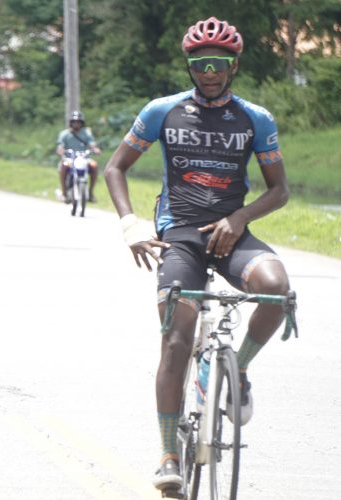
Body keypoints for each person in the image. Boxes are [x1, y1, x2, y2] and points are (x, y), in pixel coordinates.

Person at [104, 17, 291, 492]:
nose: (209, 72)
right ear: (189, 66)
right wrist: (131, 225)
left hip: (232, 232)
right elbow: (115, 169)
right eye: (199, 64)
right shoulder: (162, 111)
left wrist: (240, 219)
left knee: (275, 288)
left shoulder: (256, 119)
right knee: (176, 339)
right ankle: (168, 454)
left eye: (219, 64)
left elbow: (280, 190)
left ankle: (240, 368)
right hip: (180, 234)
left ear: (234, 66)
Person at [56, 110, 102, 202]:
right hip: (70, 158)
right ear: (71, 123)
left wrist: (95, 149)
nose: (76, 124)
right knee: (64, 166)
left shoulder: (86, 133)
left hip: (83, 158)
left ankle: (90, 192)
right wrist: (61, 152)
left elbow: (91, 144)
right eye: (74, 122)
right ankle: (64, 193)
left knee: (94, 165)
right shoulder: (65, 134)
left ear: (82, 123)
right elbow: (60, 146)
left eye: (78, 122)